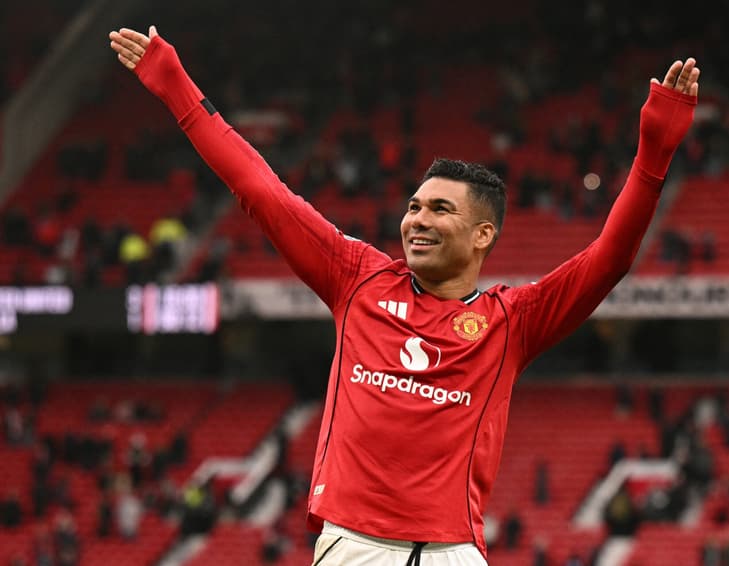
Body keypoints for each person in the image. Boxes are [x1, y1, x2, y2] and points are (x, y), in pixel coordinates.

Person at [109, 25, 699, 566]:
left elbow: (609, 259)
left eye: (440, 209)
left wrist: (654, 153)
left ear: (482, 235)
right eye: (414, 206)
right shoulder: (356, 278)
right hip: (353, 547)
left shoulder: (512, 322)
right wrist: (177, 87)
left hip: (453, 553)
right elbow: (260, 189)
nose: (417, 219)